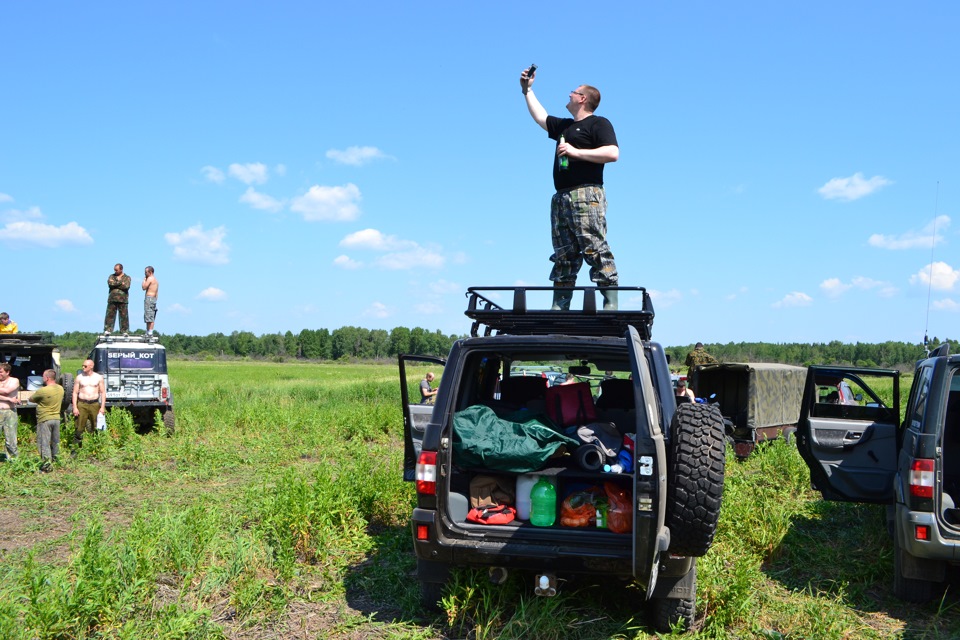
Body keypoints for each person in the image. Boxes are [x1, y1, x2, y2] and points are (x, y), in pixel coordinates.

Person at [520, 66, 620, 311]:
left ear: (583, 98)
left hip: (587, 194)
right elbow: (541, 118)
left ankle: (610, 302)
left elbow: (612, 153)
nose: (569, 95)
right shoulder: (565, 127)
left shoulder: (598, 123)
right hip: (561, 197)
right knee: (564, 252)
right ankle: (560, 305)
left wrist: (576, 152)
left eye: (573, 92)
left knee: (594, 246)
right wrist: (527, 91)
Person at [30, 369, 63, 472]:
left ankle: (46, 467)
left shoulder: (43, 390)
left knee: (44, 443)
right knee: (55, 442)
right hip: (56, 418)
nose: (43, 378)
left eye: (43, 377)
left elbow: (31, 399)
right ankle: (57, 461)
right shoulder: (60, 388)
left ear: (47, 378)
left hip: (44, 419)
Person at [72, 359, 105, 449]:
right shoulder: (79, 377)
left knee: (97, 426)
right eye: (82, 365)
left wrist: (102, 407)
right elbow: (75, 393)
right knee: (79, 427)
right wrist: (75, 407)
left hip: (94, 404)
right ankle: (76, 449)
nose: (83, 367)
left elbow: (102, 393)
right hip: (82, 404)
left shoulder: (98, 377)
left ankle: (97, 447)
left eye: (85, 366)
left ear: (91, 366)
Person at [0, 362, 21, 460]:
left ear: (7, 372)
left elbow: (7, 391)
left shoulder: (14, 380)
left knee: (11, 438)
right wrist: (8, 399)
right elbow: (6, 394)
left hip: (9, 412)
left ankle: (13, 459)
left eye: (1, 372)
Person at [104, 263, 132, 335]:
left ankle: (124, 331)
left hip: (123, 300)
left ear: (121, 269)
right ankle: (108, 329)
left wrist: (116, 284)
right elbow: (110, 283)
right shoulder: (112, 276)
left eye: (116, 270)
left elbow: (126, 286)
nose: (115, 271)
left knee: (124, 316)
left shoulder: (127, 277)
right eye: (114, 270)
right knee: (110, 315)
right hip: (112, 299)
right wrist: (120, 283)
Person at [142, 266, 159, 336]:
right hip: (153, 298)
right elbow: (157, 292)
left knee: (149, 315)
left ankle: (150, 331)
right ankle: (148, 331)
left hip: (149, 298)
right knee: (150, 315)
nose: (145, 273)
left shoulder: (150, 278)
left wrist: (144, 280)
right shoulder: (156, 280)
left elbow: (143, 287)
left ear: (150, 272)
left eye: (146, 272)